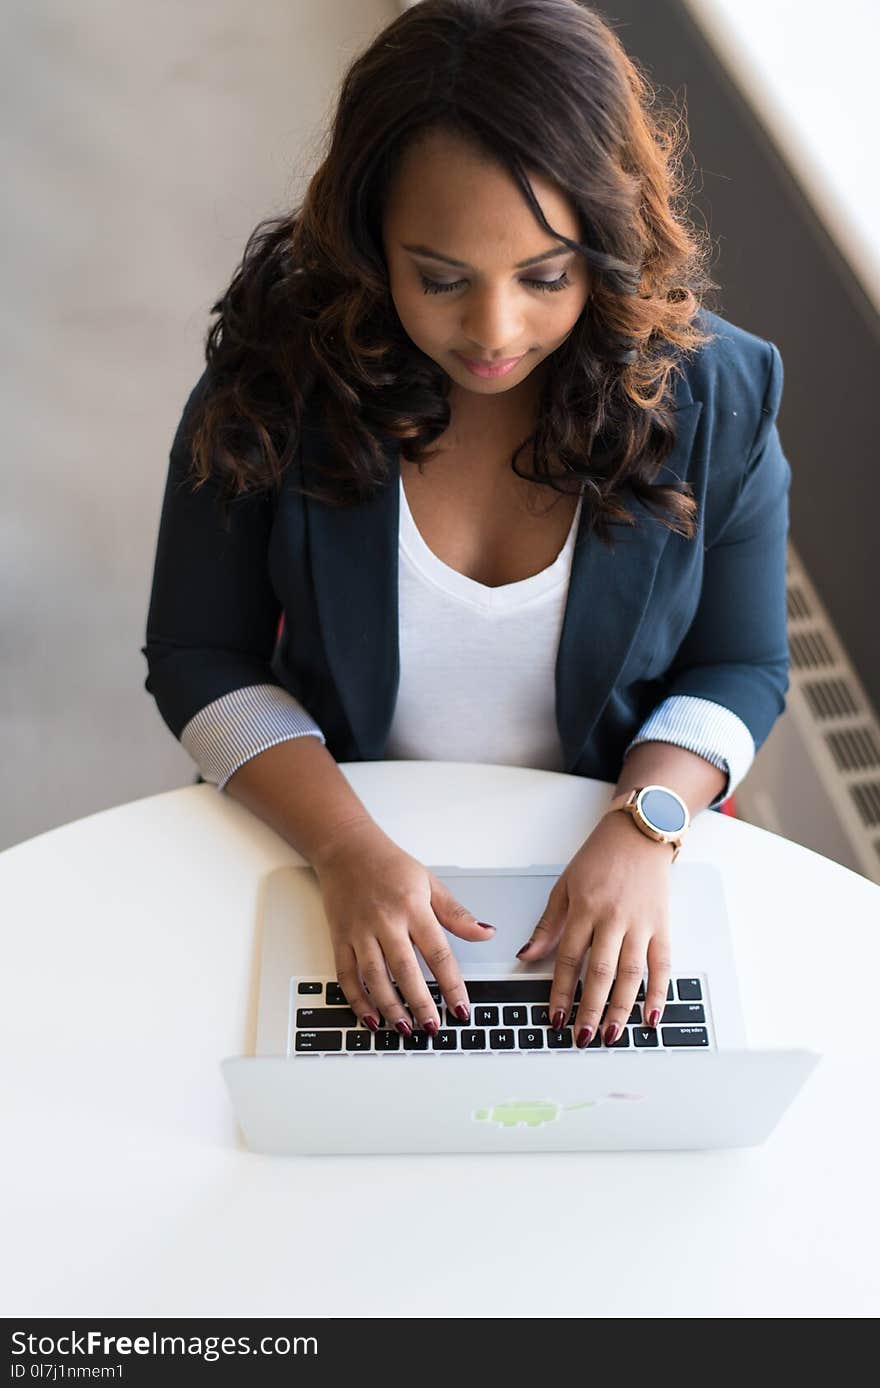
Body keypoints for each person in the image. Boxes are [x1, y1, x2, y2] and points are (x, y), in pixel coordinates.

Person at [142, 0, 790, 1052]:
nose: (494, 332)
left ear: (608, 243)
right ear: (368, 238)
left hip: (593, 863)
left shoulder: (716, 390)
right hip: (333, 841)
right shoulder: (274, 370)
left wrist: (644, 830)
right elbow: (197, 655)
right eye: (440, 278)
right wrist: (346, 851)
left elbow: (743, 664)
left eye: (546, 277)